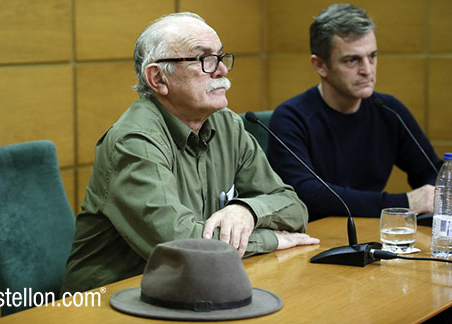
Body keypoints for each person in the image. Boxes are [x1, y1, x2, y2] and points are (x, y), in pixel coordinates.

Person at [61, 12, 319, 293]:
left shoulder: (228, 124)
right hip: (111, 299)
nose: (222, 70)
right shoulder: (134, 141)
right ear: (158, 78)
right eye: (204, 60)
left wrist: (248, 211)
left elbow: (293, 208)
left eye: (221, 57)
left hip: (192, 289)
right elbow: (183, 245)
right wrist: (272, 239)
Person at [267, 4, 443, 222]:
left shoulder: (389, 111)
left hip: (371, 232)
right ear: (320, 65)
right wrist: (404, 203)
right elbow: (307, 193)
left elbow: (434, 171)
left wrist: (431, 196)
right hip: (313, 238)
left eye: (372, 56)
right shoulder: (290, 118)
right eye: (352, 60)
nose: (367, 70)